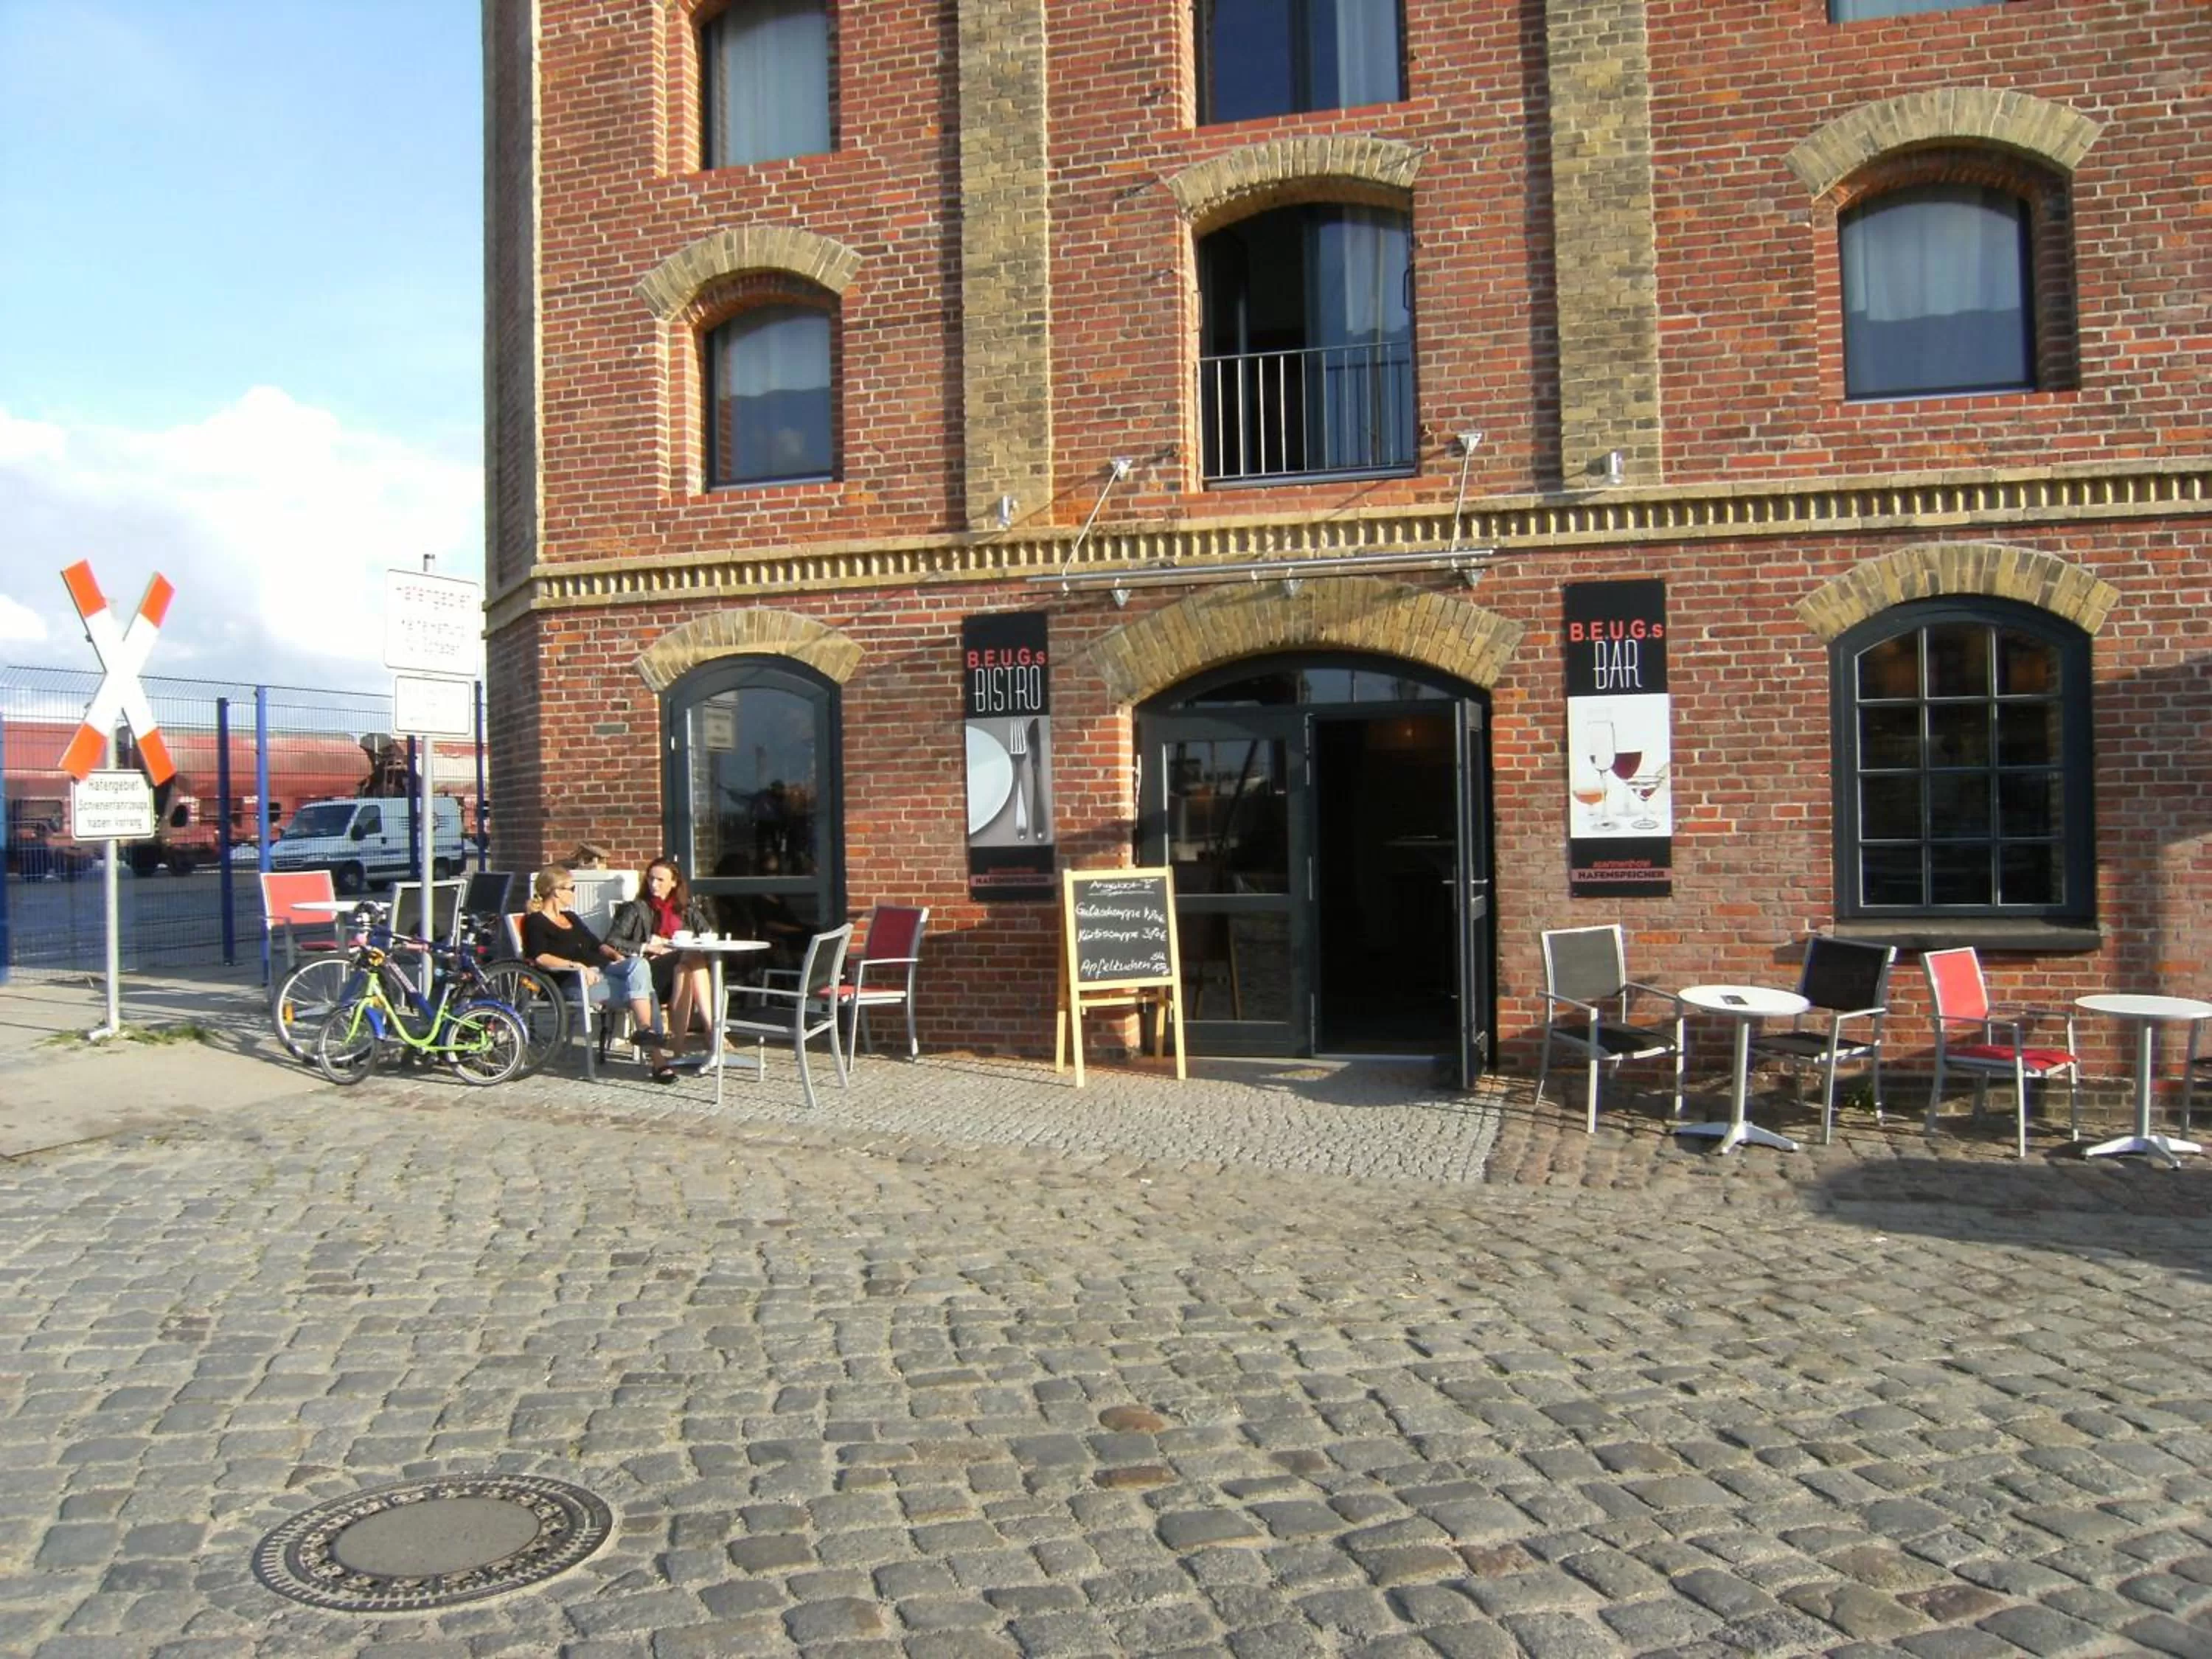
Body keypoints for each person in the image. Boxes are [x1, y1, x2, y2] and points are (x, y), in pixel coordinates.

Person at [521, 865, 675, 1082]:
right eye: (571, 888)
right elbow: (539, 957)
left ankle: (647, 1031)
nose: (574, 892)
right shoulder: (535, 921)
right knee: (646, 992)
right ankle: (657, 1057)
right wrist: (575, 966)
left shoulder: (572, 917)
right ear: (556, 891)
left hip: (605, 970)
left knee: (639, 965)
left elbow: (597, 945)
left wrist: (616, 955)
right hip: (574, 982)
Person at [606, 857, 723, 1059]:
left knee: (684, 968)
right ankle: (711, 1030)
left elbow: (709, 936)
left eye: (660, 880)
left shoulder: (687, 910)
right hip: (649, 974)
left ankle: (677, 1048)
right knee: (691, 957)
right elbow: (612, 940)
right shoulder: (636, 908)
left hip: (678, 972)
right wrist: (650, 947)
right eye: (651, 879)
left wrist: (681, 944)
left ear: (674, 882)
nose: (654, 885)